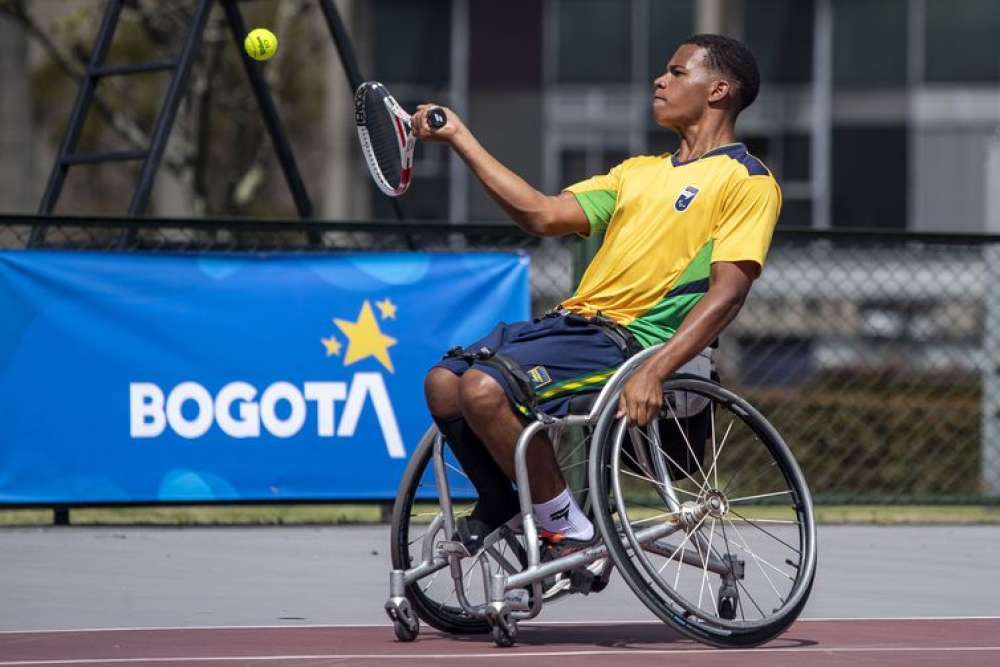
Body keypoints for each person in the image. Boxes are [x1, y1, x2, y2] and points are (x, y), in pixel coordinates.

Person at [413, 34, 781, 556]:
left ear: (719, 89)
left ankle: (567, 529)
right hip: (574, 326)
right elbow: (541, 214)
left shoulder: (748, 180)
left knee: (483, 389)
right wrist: (459, 136)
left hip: (636, 342)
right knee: (444, 383)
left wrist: (654, 370)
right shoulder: (635, 173)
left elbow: (726, 296)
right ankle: (504, 504)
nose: (660, 80)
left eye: (677, 73)